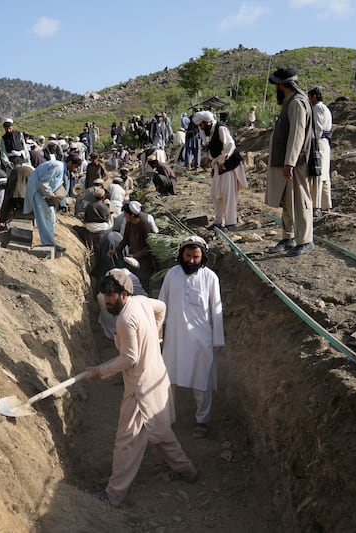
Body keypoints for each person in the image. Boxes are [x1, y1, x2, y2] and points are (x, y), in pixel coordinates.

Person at [85, 270, 198, 506]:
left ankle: (113, 495)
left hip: (141, 389)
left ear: (124, 294)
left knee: (127, 441)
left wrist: (99, 370)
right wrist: (156, 335)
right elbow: (162, 308)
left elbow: (129, 358)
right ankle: (187, 470)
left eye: (111, 296)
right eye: (104, 295)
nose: (106, 301)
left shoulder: (125, 319)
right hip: (156, 376)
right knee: (161, 430)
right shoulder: (142, 302)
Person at [158, 236, 225, 439]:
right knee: (167, 381)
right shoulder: (172, 275)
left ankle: (202, 422)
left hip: (200, 341)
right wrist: (157, 332)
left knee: (201, 382)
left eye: (196, 256)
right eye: (188, 256)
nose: (191, 261)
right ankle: (165, 419)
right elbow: (161, 305)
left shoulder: (210, 277)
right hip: (175, 340)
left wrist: (217, 339)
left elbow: (217, 309)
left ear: (202, 256)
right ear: (181, 254)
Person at [265, 67, 315, 257]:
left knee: (300, 200)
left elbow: (297, 134)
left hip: (295, 163)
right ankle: (289, 238)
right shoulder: (290, 102)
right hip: (288, 162)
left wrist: (290, 162)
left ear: (281, 85)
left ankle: (305, 240)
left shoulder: (297, 103)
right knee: (287, 201)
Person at [193, 110, 248, 231]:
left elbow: (229, 145)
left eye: (201, 125)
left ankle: (230, 223)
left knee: (228, 195)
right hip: (218, 167)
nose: (200, 127)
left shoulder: (221, 128)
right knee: (215, 194)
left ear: (207, 122)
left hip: (229, 166)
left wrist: (221, 160)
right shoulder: (209, 132)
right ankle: (218, 221)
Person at [23, 154, 83, 253]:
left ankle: (50, 242)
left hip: (43, 192)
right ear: (69, 163)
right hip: (38, 191)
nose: (75, 169)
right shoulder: (58, 167)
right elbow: (43, 183)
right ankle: (48, 243)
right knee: (45, 216)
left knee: (50, 216)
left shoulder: (62, 169)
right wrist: (51, 196)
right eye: (75, 166)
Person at [111, 201, 155, 290]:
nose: (124, 216)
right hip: (133, 257)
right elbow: (126, 239)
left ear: (132, 215)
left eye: (126, 214)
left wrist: (136, 255)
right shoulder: (129, 223)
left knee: (143, 281)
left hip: (144, 260)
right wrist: (116, 250)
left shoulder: (144, 224)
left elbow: (149, 246)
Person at [308, 88, 333, 215]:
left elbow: (317, 128)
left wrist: (312, 141)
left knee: (317, 174)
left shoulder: (317, 108)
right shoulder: (326, 108)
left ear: (313, 97)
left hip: (319, 143)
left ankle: (316, 205)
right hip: (325, 143)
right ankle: (326, 205)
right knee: (324, 175)